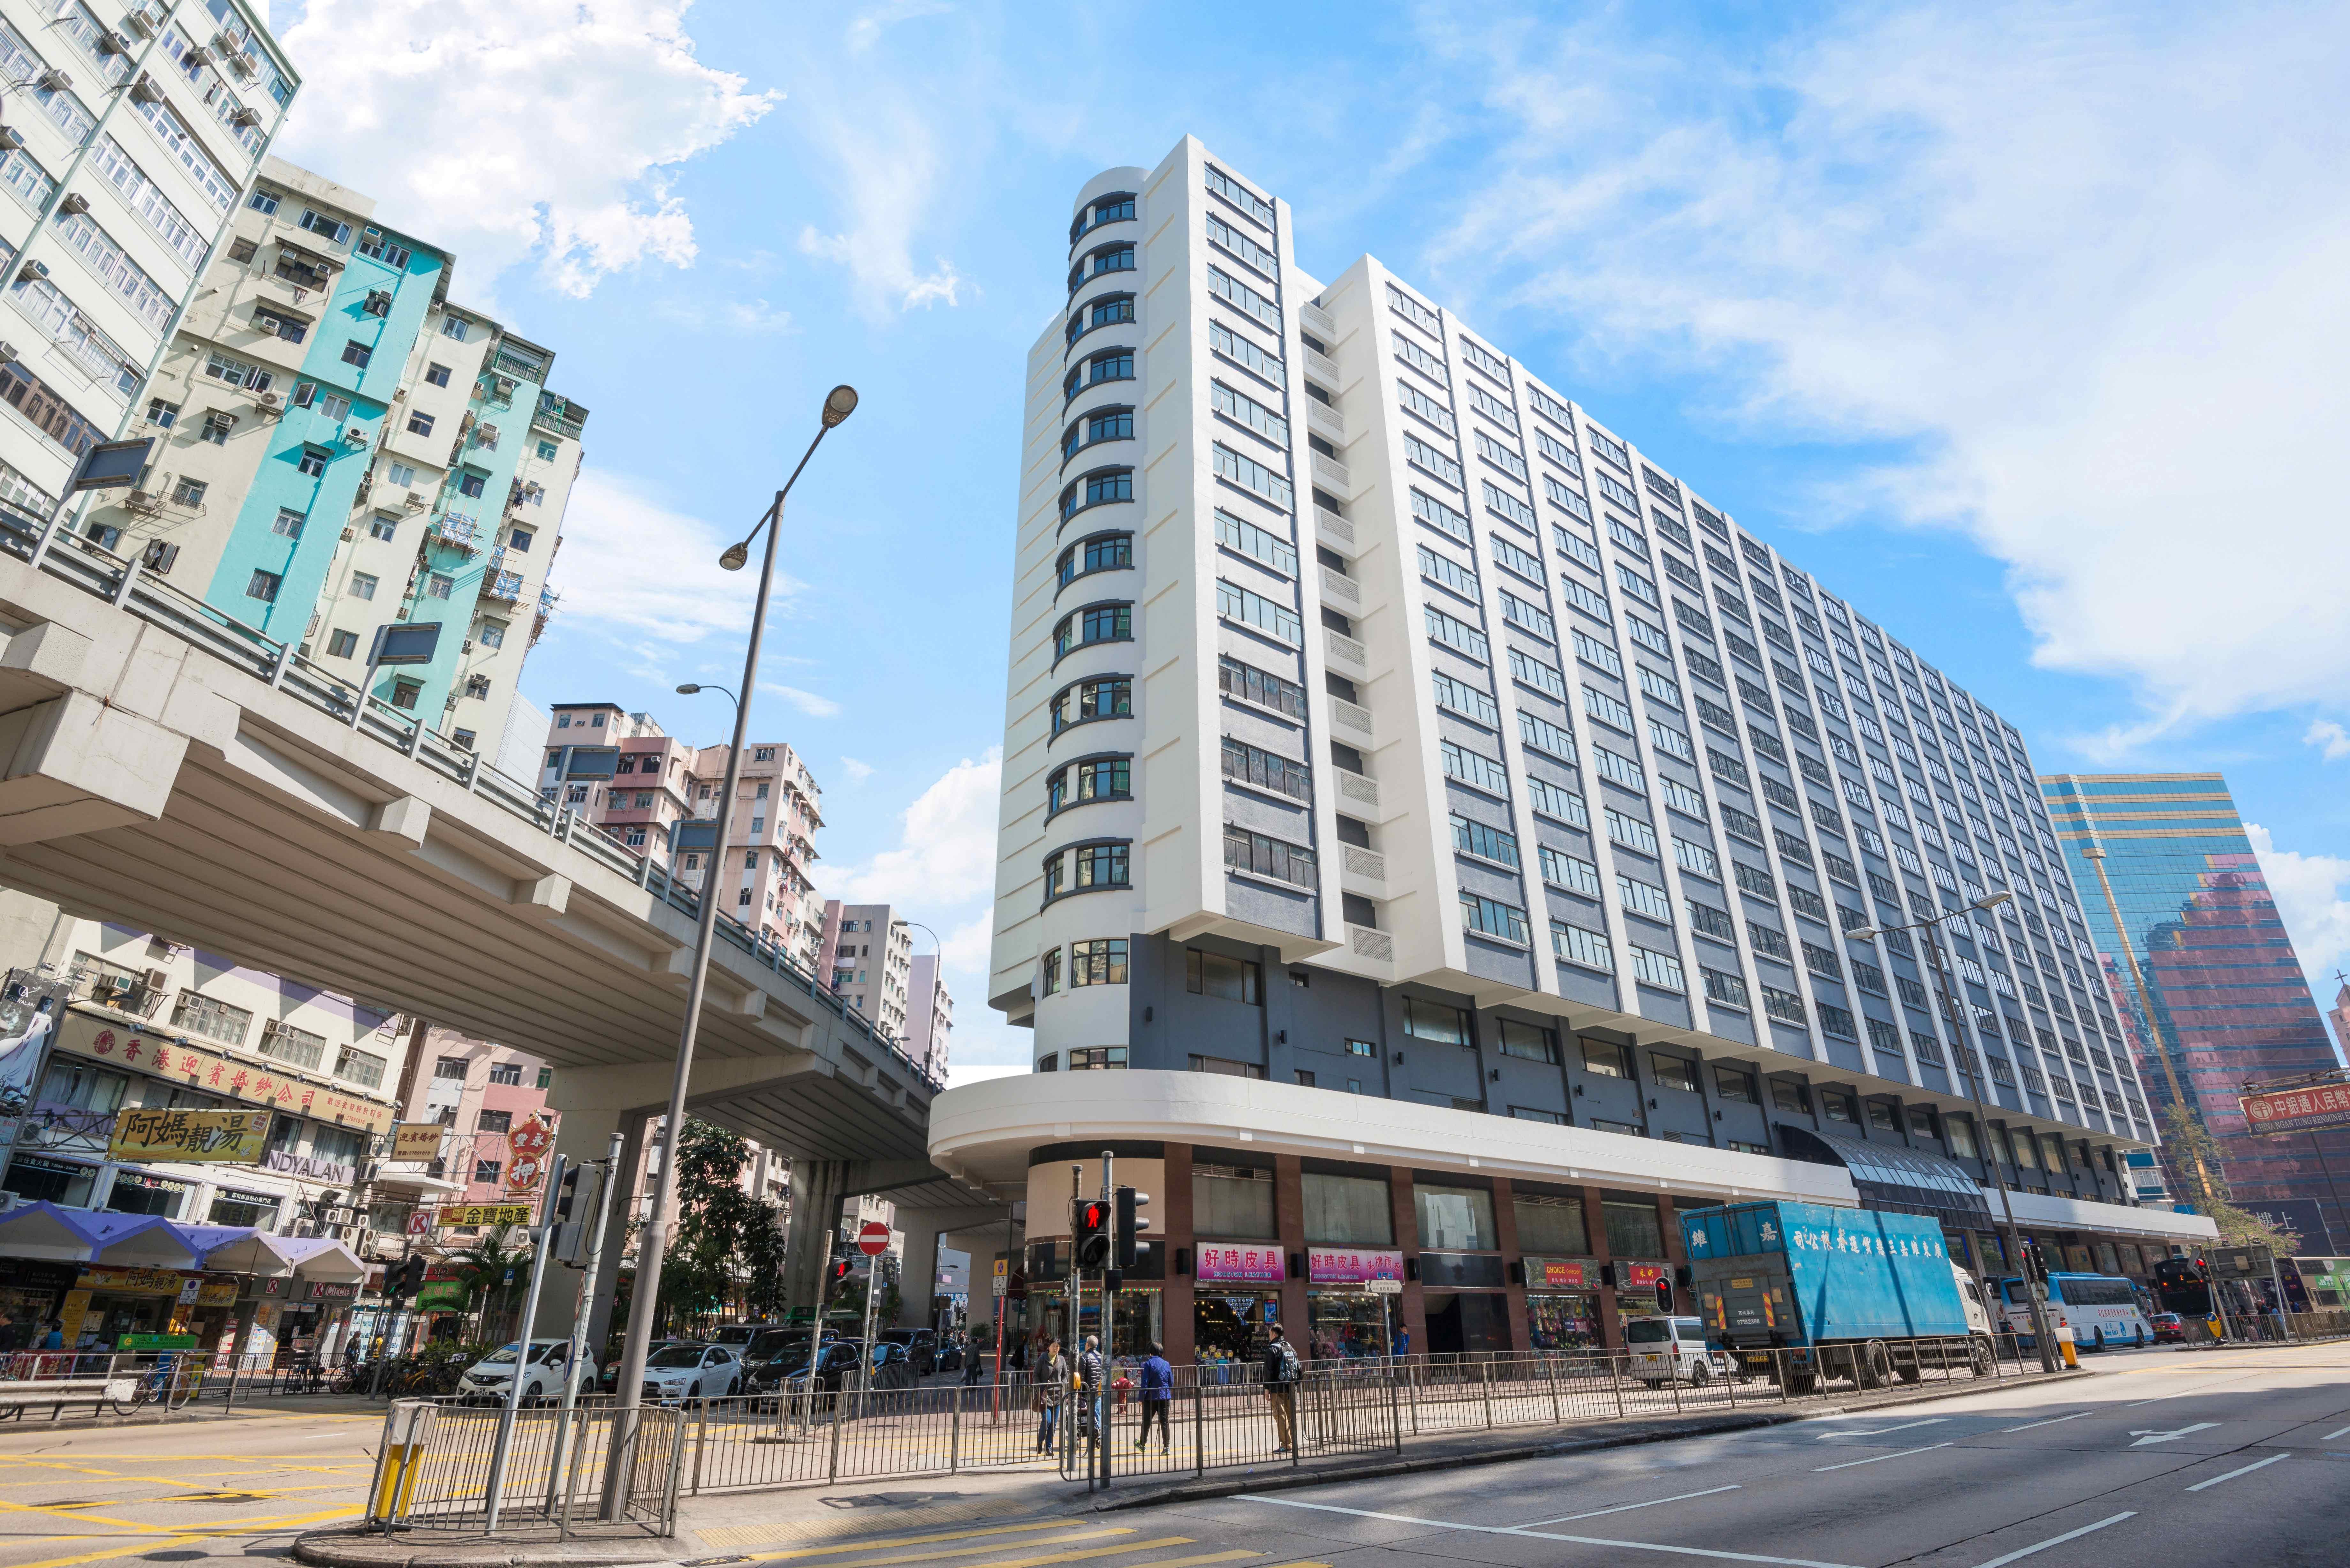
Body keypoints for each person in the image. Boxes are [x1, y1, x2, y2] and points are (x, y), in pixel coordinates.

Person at [1262, 1324, 1299, 1451]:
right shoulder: (1290, 1347)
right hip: (1290, 1386)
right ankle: (1293, 1442)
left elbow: (1269, 1371)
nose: (1269, 1336)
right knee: (1290, 1415)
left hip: (1277, 1388)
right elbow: (1299, 1367)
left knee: (1280, 1415)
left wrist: (1267, 1388)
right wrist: (1296, 1384)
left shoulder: (1273, 1349)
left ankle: (1286, 1445)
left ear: (1275, 1335)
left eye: (1270, 1334)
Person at [1134, 1342, 1173, 1451]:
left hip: (1150, 1398)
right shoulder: (1167, 1364)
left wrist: (1141, 1399)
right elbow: (1171, 1383)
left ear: (1151, 1353)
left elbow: (1145, 1383)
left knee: (1146, 1422)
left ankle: (1142, 1444)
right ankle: (1167, 1447)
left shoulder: (1148, 1364)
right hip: (1165, 1397)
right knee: (1165, 1422)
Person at [1034, 1338, 1066, 1453]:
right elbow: (1036, 1375)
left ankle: (1049, 1447)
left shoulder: (1061, 1359)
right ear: (1049, 1347)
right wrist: (1041, 1387)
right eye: (1053, 1346)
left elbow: (1065, 1375)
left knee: (1054, 1424)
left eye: (1057, 1347)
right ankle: (1040, 1441)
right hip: (1045, 1396)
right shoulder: (1043, 1358)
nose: (1055, 1348)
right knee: (1047, 1420)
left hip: (1058, 1396)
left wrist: (1062, 1384)